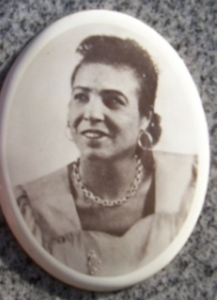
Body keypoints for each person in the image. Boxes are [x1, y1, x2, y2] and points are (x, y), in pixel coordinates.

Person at [15, 35, 196, 276]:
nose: (92, 113)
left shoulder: (187, 184)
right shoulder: (34, 208)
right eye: (81, 97)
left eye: (113, 101)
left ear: (145, 117)